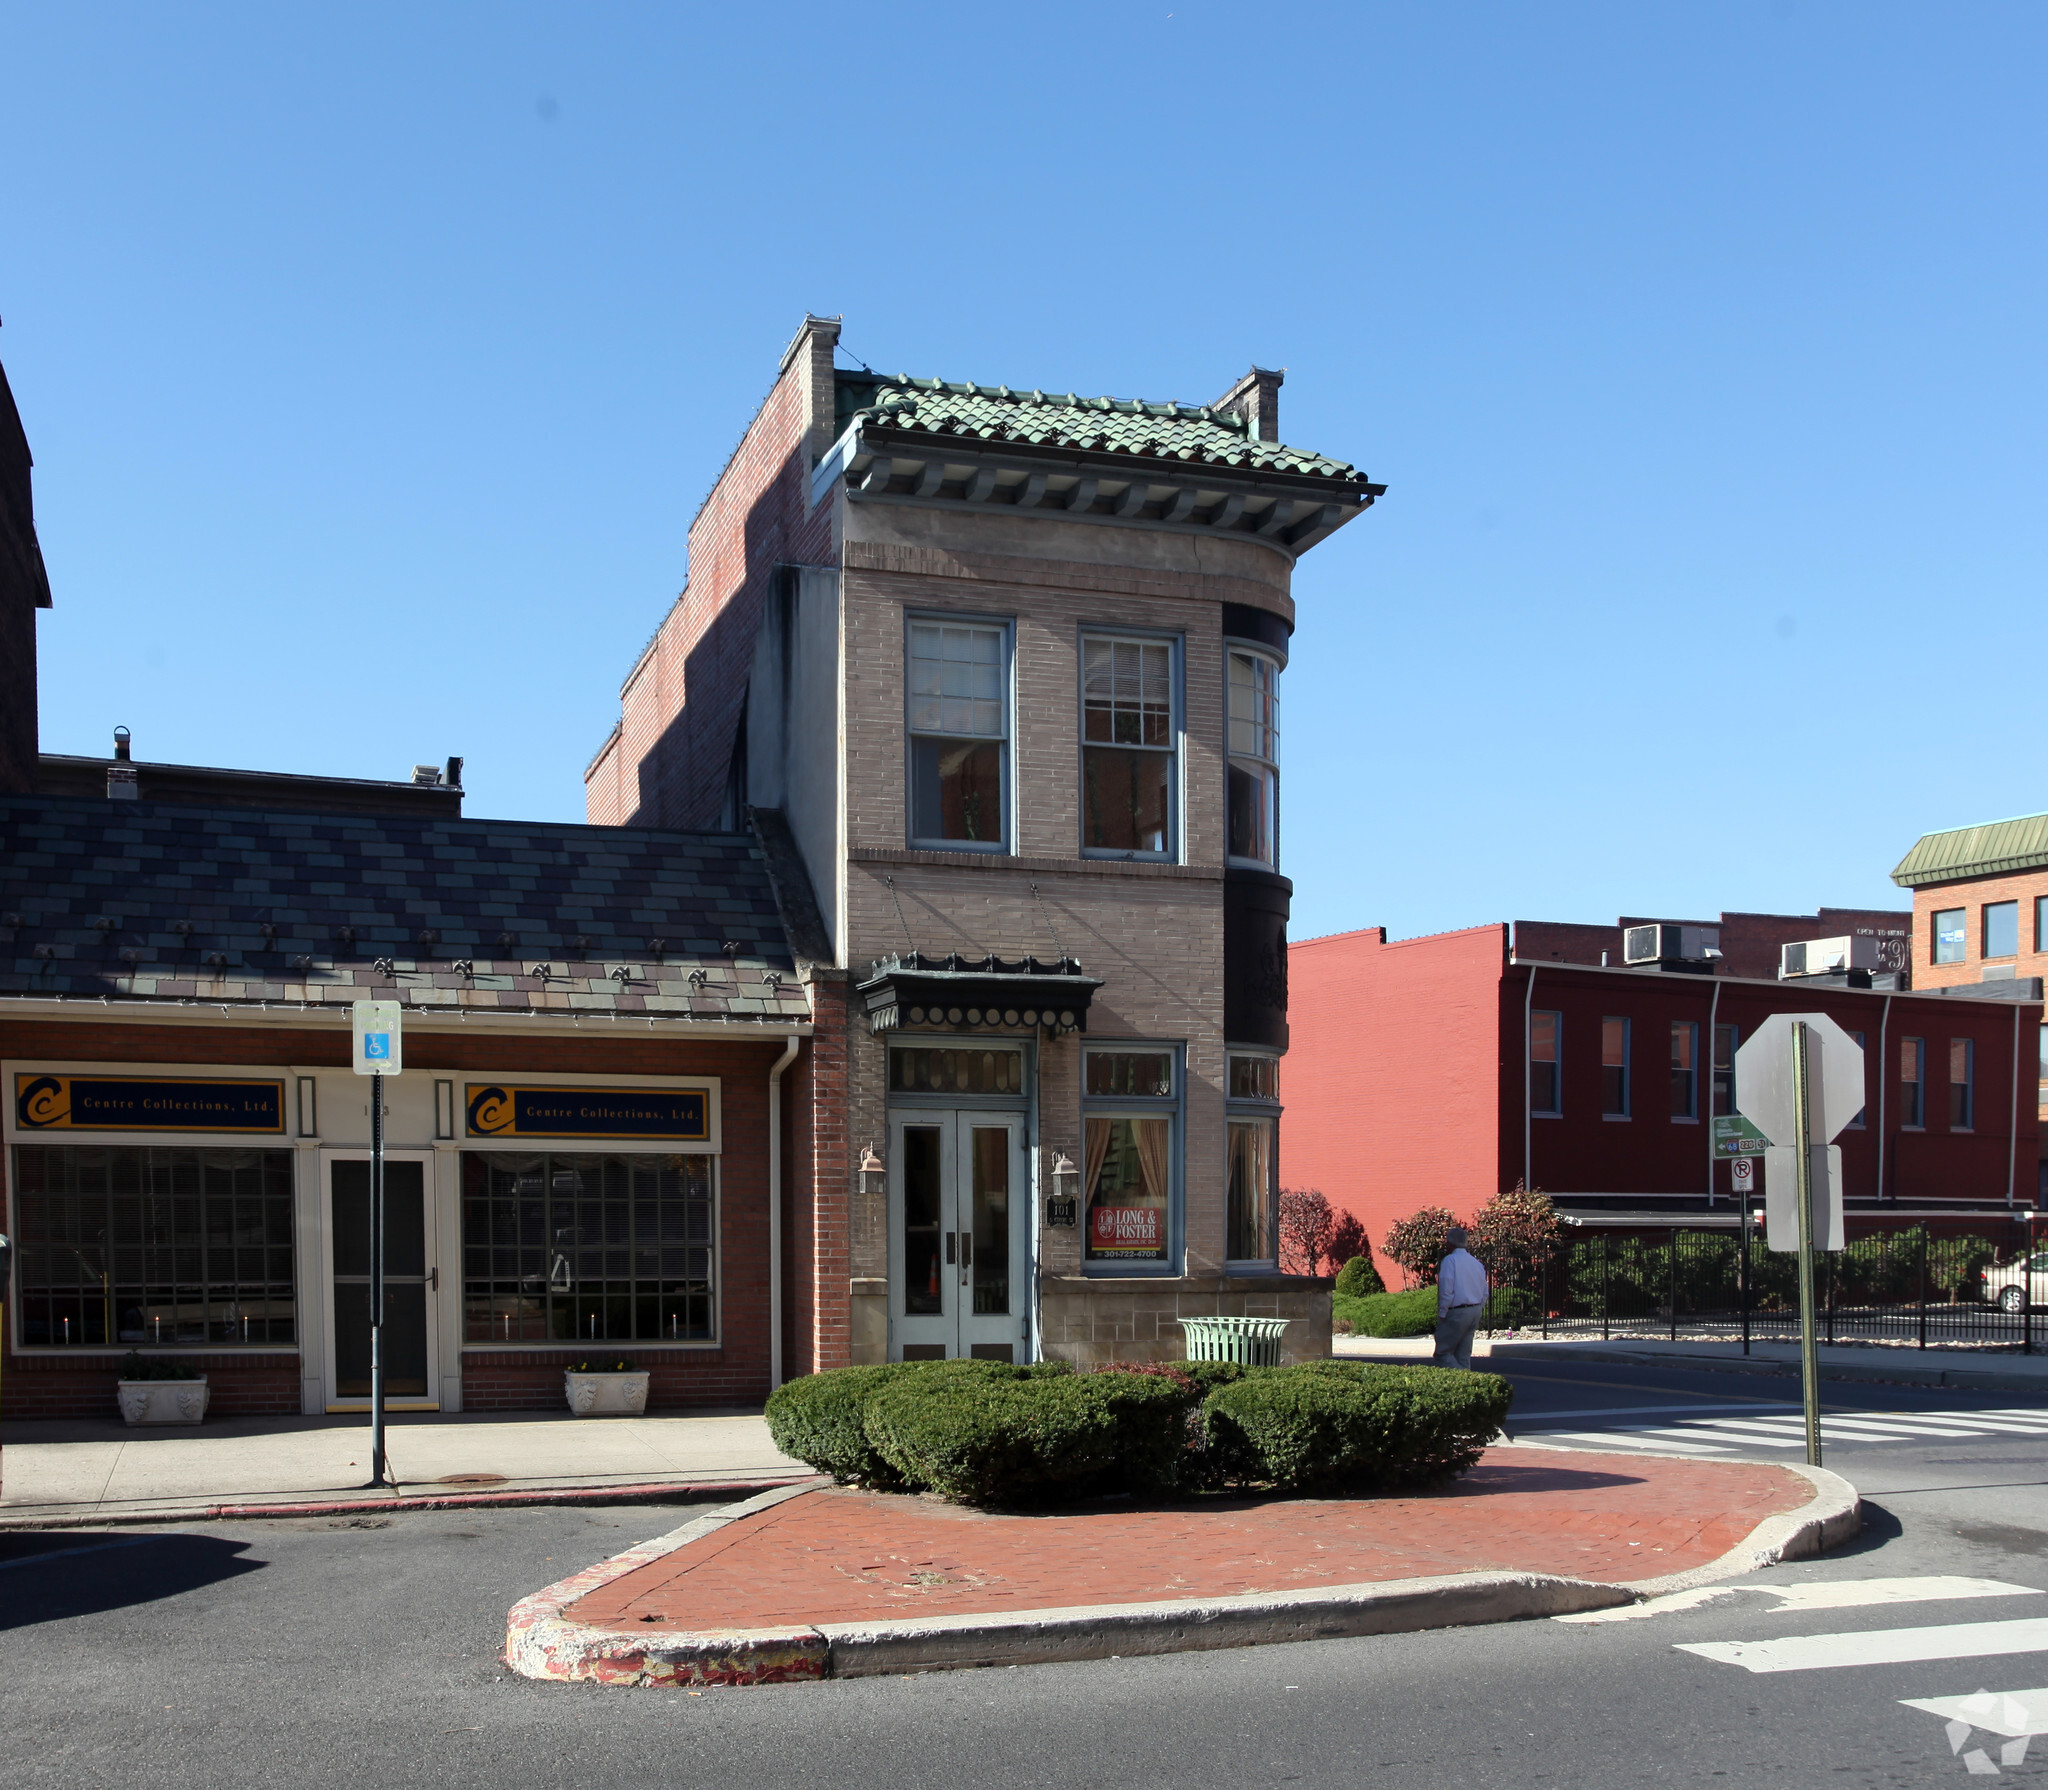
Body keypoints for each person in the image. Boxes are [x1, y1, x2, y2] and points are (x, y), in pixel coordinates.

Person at [1432, 1227, 1489, 1370]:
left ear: (1450, 1243)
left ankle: (1462, 1377)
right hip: (1474, 1310)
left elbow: (1446, 1290)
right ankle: (1468, 1384)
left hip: (1457, 1312)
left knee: (1442, 1353)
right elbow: (1485, 1291)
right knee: (1463, 1354)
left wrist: (1442, 1314)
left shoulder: (1450, 1261)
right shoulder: (1476, 1263)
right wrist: (1479, 1307)